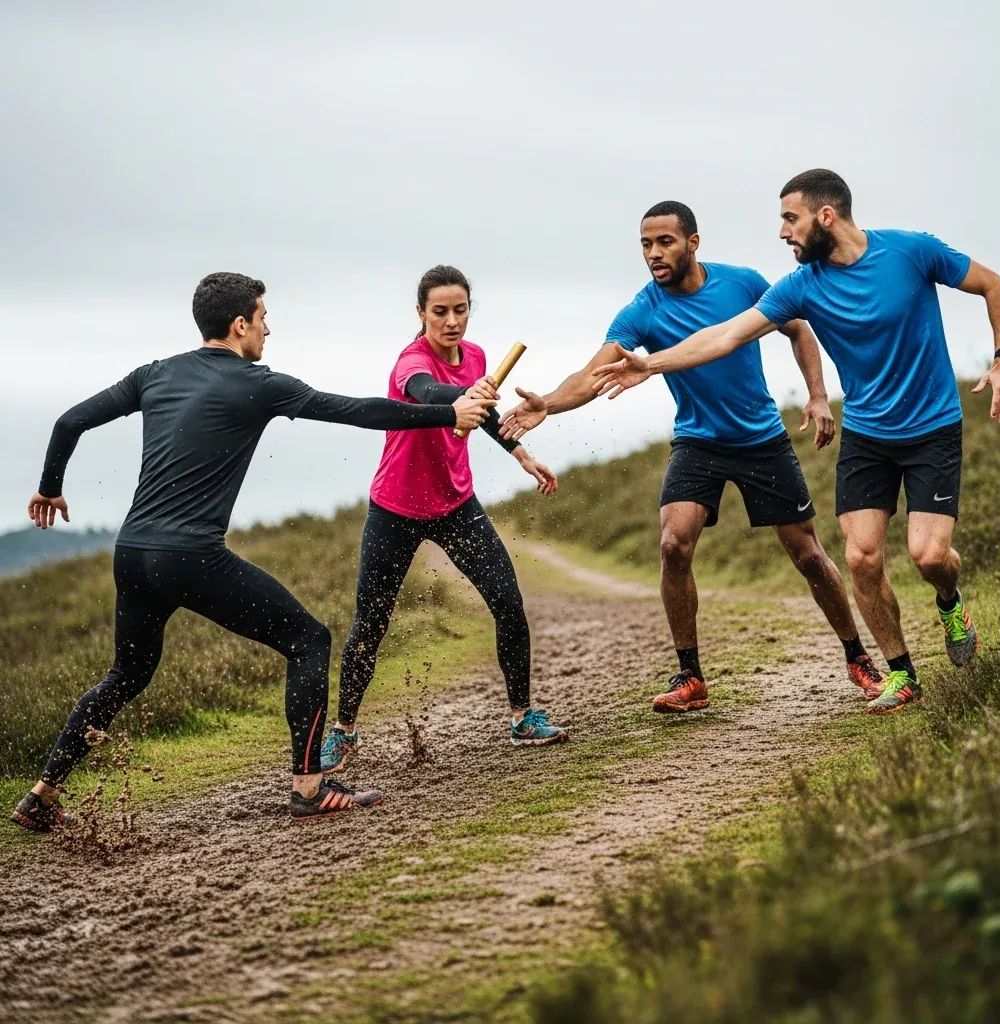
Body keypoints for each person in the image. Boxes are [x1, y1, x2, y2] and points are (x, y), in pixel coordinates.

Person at [10, 272, 494, 831]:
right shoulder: (258, 383)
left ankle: (42, 794)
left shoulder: (154, 374)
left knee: (128, 672)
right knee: (309, 639)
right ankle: (310, 788)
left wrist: (49, 486)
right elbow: (356, 411)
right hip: (190, 555)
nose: (269, 327)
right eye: (263, 318)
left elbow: (69, 420)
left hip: (134, 551)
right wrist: (447, 414)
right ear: (240, 325)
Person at [593, 171, 1000, 714]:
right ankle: (901, 674)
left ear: (825, 216)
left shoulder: (912, 252)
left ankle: (948, 600)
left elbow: (995, 286)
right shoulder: (801, 286)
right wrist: (650, 365)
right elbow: (725, 335)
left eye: (789, 219)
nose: (781, 233)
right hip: (867, 433)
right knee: (862, 559)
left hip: (933, 426)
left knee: (929, 556)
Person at [498, 202, 882, 715]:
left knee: (808, 554)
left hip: (761, 438)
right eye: (645, 245)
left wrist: (816, 395)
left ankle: (858, 657)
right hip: (697, 441)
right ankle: (690, 675)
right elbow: (594, 373)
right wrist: (549, 401)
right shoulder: (642, 310)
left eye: (665, 242)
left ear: (692, 243)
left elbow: (799, 330)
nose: (654, 254)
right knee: (673, 545)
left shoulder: (742, 284)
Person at [319, 264, 567, 773]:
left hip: (456, 505)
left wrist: (522, 455)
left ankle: (522, 717)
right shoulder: (412, 362)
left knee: (508, 602)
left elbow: (485, 415)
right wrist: (461, 398)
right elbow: (427, 394)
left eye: (460, 310)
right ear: (421, 314)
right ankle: (343, 732)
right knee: (371, 621)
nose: (451, 321)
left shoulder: (475, 356)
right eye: (440, 312)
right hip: (396, 508)